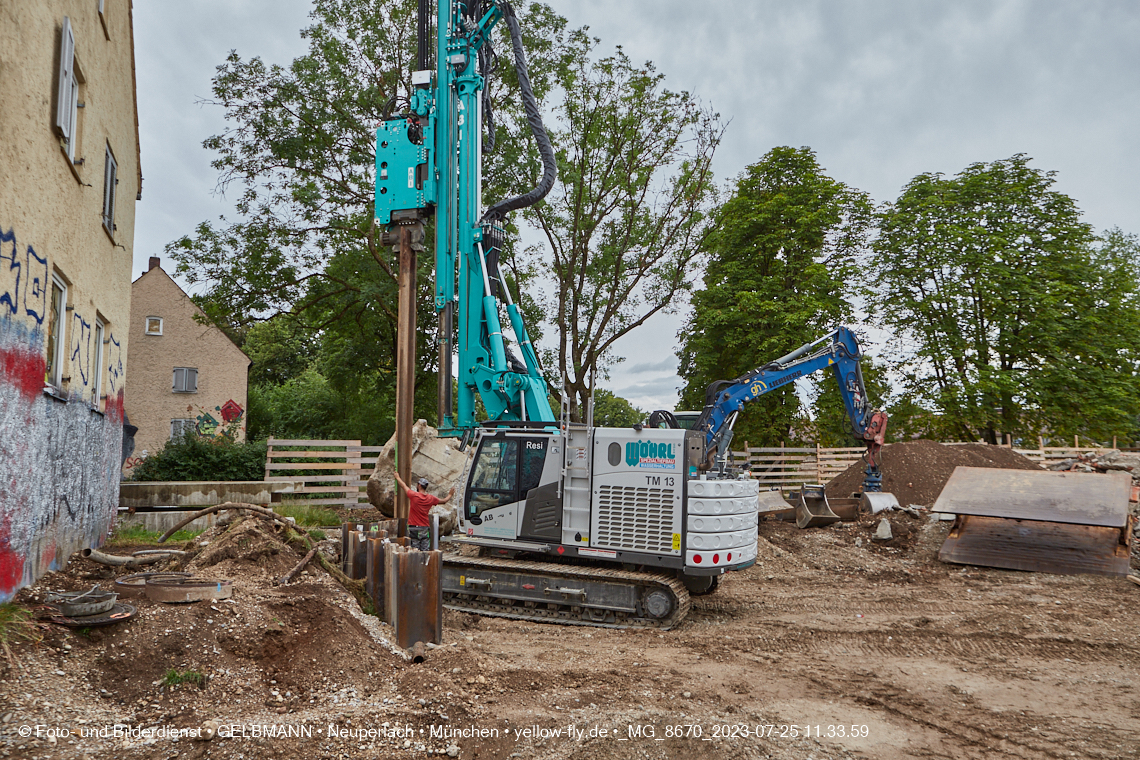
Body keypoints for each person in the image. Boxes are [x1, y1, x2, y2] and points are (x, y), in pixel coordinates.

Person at [394, 473, 455, 551]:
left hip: (414, 527)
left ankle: (416, 561)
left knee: (415, 549)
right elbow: (444, 501)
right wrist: (450, 494)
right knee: (425, 549)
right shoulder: (430, 498)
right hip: (424, 527)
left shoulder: (413, 495)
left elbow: (404, 486)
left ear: (419, 485)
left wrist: (397, 477)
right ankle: (425, 562)